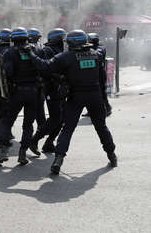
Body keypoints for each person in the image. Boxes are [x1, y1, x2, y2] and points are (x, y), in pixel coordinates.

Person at [29, 29, 117, 174]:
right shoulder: (97, 54)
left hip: (76, 97)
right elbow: (101, 51)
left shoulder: (66, 57)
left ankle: (58, 159)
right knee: (101, 127)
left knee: (68, 129)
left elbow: (45, 67)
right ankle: (112, 155)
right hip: (95, 96)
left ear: (70, 43)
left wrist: (31, 54)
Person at [0, 28, 41, 165]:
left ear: (13, 40)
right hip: (33, 92)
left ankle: (4, 151)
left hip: (17, 92)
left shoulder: (10, 53)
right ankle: (22, 154)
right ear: (27, 38)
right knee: (28, 124)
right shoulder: (36, 50)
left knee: (7, 121)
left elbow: (8, 72)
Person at [31, 28, 67, 153]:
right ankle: (34, 140)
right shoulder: (47, 50)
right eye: (62, 38)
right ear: (56, 39)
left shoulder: (62, 50)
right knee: (55, 118)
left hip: (62, 89)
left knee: (62, 119)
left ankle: (49, 142)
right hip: (52, 88)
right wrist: (58, 77)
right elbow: (44, 69)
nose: (64, 41)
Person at [83, 33, 112, 117]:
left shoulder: (100, 48)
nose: (89, 41)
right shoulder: (89, 48)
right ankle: (91, 111)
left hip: (100, 73)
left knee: (102, 93)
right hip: (91, 73)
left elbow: (99, 54)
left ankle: (107, 109)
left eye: (90, 40)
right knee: (90, 94)